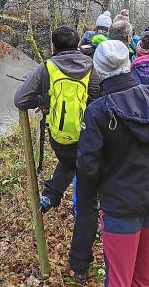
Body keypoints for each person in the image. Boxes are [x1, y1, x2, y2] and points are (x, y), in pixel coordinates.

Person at [70, 40, 149, 286]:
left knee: (119, 280)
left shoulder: (97, 112)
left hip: (119, 206)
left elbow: (87, 166)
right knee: (143, 278)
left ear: (99, 70)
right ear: (128, 63)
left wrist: (89, 201)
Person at [14, 26, 100, 212]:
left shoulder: (47, 67)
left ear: (53, 46)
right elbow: (99, 98)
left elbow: (20, 99)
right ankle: (73, 200)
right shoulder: (91, 66)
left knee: (71, 160)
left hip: (59, 139)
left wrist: (44, 100)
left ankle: (52, 196)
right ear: (78, 45)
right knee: (80, 161)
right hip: (88, 135)